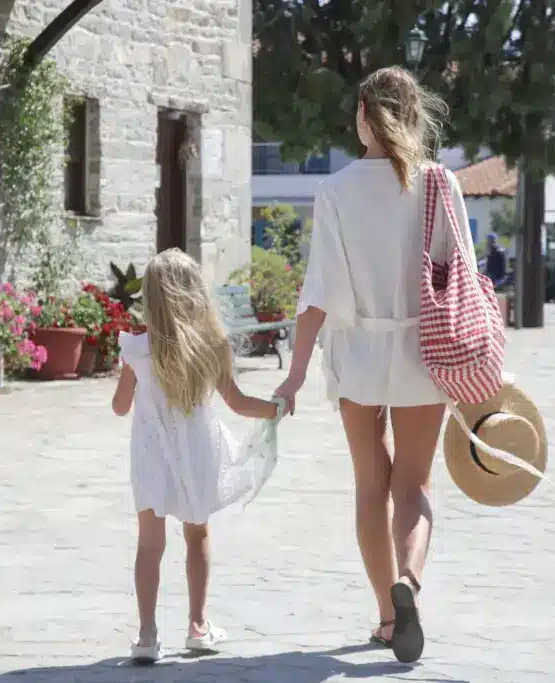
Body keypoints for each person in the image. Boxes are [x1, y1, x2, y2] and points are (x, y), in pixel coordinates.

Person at [272, 66, 474, 664]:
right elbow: (463, 278)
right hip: (424, 352)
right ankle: (409, 580)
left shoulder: (335, 190)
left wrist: (295, 373)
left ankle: (388, 617)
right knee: (413, 485)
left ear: (364, 115)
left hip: (357, 354)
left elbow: (318, 293)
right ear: (414, 116)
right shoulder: (440, 183)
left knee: (370, 485)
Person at [112, 248, 282, 664]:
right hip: (198, 452)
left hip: (150, 453)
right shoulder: (213, 345)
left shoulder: (136, 348)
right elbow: (237, 402)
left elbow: (119, 407)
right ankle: (198, 626)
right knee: (197, 534)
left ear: (150, 298)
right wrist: (276, 409)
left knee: (149, 544)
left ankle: (147, 635)